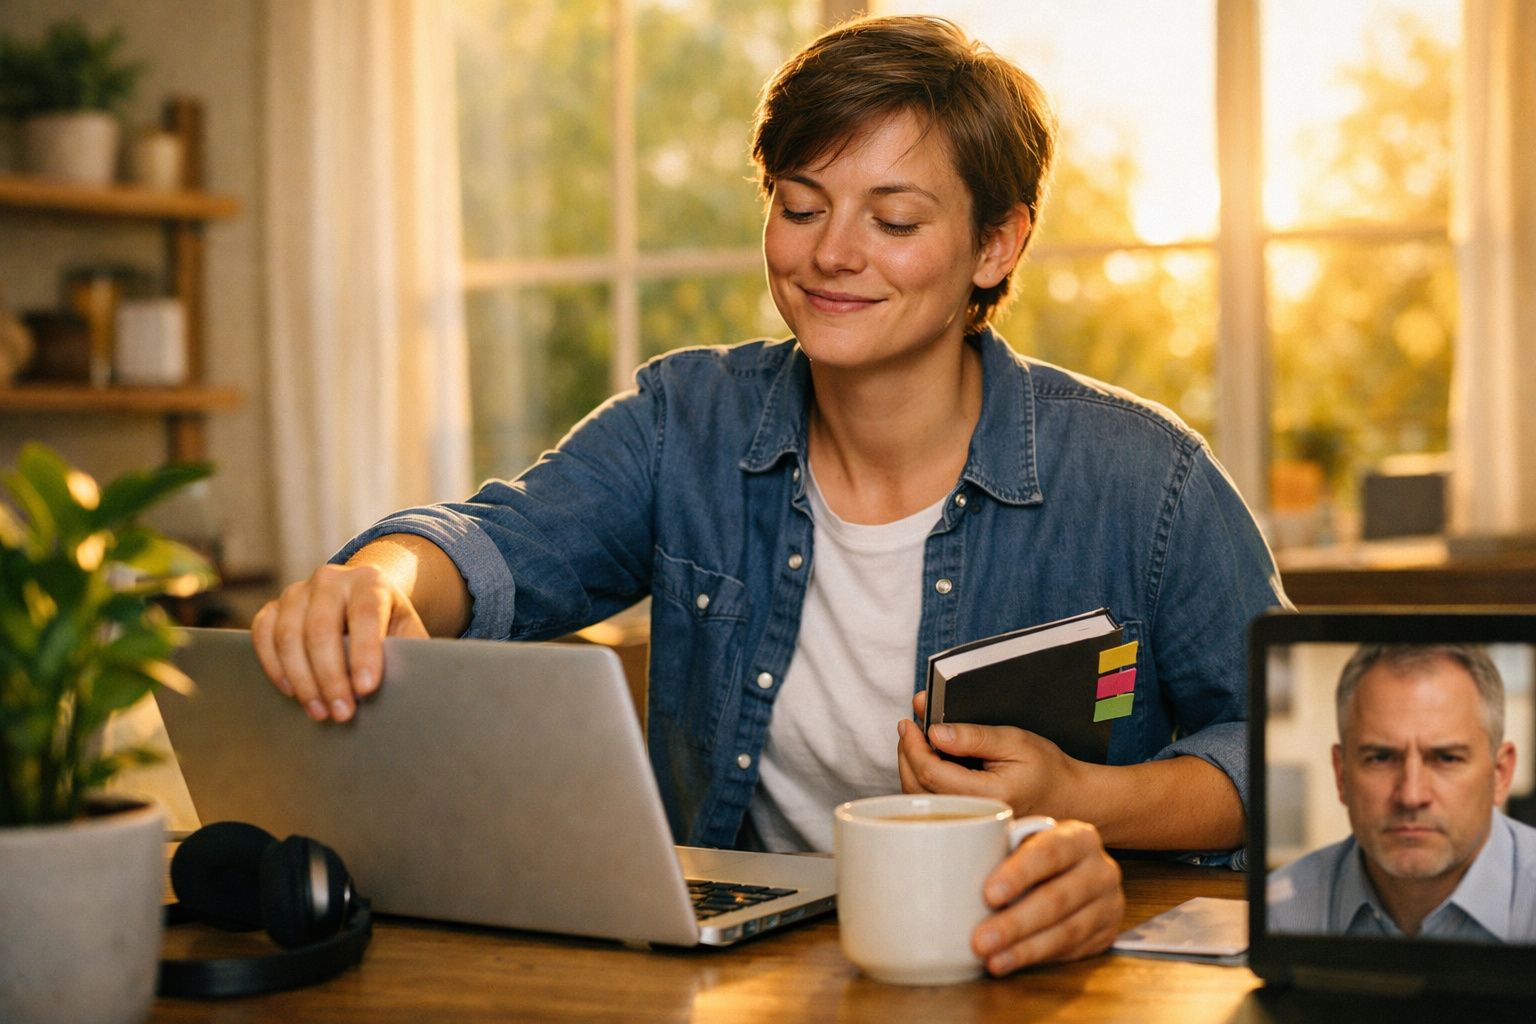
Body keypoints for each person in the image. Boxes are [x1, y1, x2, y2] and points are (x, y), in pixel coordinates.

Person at [252, 15, 1284, 974]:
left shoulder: (1143, 477)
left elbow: (1282, 748)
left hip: (1053, 977)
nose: (831, 253)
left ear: (996, 244)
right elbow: (495, 546)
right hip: (760, 982)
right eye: (801, 205)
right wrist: (378, 580)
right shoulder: (685, 421)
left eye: (893, 218)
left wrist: (1086, 799)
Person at [1267, 644, 1536, 941]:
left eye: (1447, 758)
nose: (1411, 795)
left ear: (1500, 775)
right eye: (1381, 758)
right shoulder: (1281, 912)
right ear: (1341, 774)